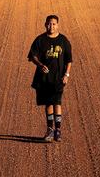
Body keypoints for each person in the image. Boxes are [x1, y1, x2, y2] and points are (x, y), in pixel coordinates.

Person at [27, 14, 72, 142]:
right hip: (44, 79)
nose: (51, 26)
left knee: (57, 102)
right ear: (45, 24)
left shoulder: (64, 41)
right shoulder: (40, 40)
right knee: (48, 103)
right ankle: (50, 130)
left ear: (57, 25)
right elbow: (32, 56)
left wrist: (66, 75)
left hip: (58, 78)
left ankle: (58, 130)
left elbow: (69, 60)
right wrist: (40, 65)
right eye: (49, 23)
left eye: (54, 24)